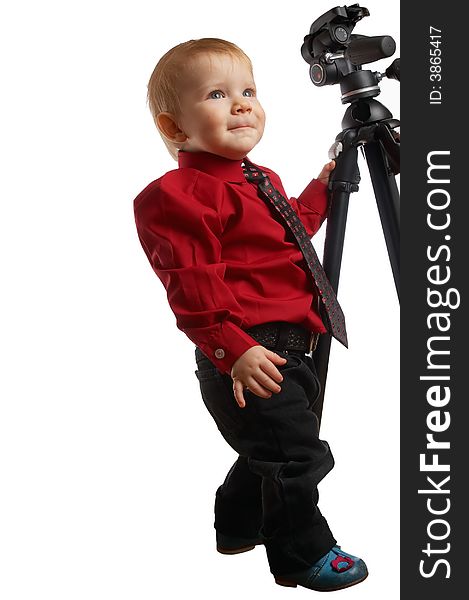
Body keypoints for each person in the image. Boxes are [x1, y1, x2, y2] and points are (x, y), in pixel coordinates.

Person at [133, 37, 368, 592]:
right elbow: (191, 288)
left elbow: (295, 231)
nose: (241, 104)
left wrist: (325, 186)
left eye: (248, 91)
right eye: (217, 94)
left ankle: (237, 524)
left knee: (274, 446)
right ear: (174, 128)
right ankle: (301, 555)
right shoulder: (179, 195)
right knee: (299, 456)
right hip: (245, 352)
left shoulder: (262, 181)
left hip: (296, 345)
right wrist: (231, 349)